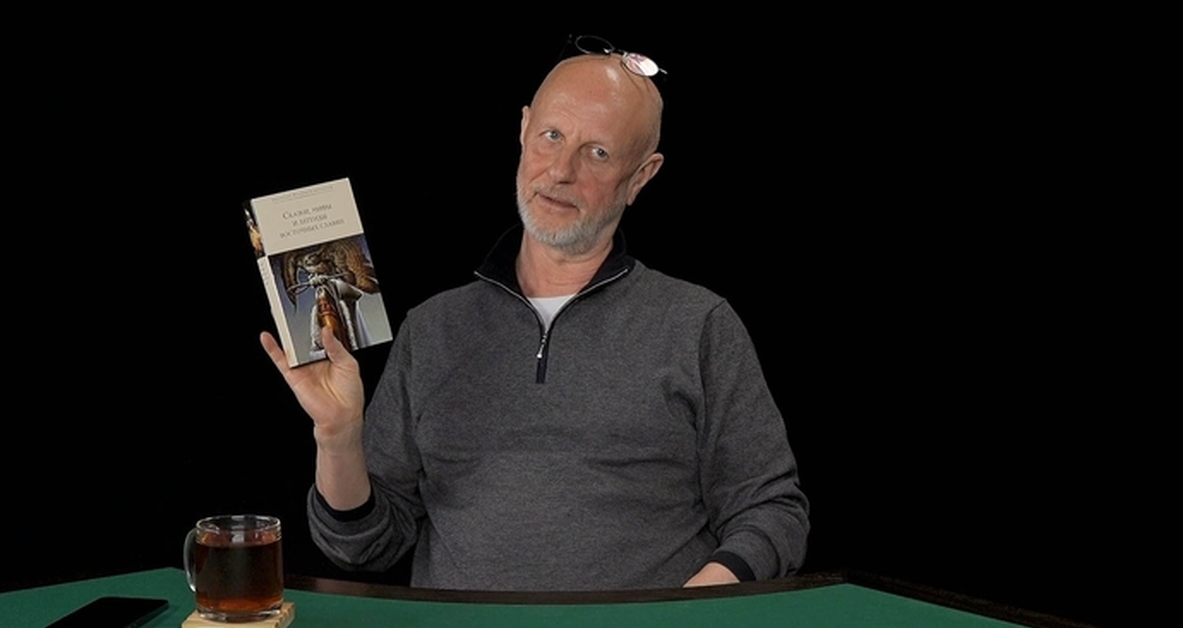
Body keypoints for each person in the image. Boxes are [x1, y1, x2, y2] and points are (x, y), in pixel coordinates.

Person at [262, 43, 809, 591]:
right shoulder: (432, 329)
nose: (561, 171)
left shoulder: (698, 325)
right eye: (552, 136)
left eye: (598, 152)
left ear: (641, 177)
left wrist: (683, 613)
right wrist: (337, 437)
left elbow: (772, 512)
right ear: (523, 130)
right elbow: (363, 546)